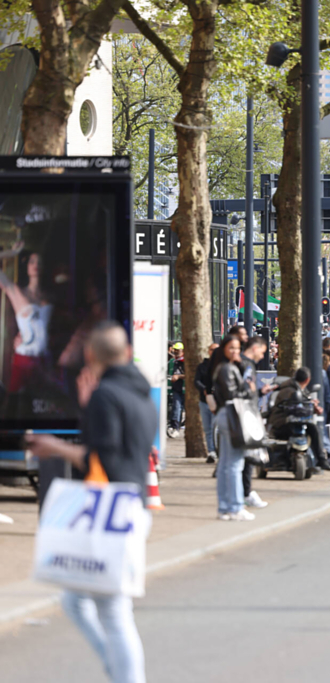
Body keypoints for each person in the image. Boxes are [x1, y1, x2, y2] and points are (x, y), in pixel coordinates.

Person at [26, 322, 157, 683]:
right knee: (84, 603)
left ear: (90, 355)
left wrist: (53, 446)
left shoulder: (106, 395)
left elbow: (102, 457)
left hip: (113, 508)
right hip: (133, 504)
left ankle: (122, 675)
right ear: (126, 353)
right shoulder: (140, 393)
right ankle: (116, 671)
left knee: (113, 613)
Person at [210, 334, 258, 521]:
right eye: (232, 348)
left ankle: (225, 507)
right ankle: (236, 506)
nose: (235, 352)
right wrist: (248, 388)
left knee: (225, 464)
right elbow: (234, 393)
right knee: (234, 464)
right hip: (233, 415)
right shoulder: (228, 369)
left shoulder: (222, 368)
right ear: (224, 349)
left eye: (237, 348)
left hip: (226, 414)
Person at [0, 244, 53, 393]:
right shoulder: (18, 293)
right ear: (27, 266)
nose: (36, 265)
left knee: (45, 405)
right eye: (32, 261)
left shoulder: (49, 297)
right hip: (24, 360)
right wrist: (13, 252)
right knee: (16, 406)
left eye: (39, 262)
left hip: (44, 361)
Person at [268, 366, 330, 471]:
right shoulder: (288, 390)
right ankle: (282, 460)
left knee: (313, 428)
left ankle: (321, 459)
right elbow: (294, 407)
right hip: (283, 422)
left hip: (298, 421)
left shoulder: (301, 390)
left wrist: (313, 407)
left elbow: (304, 406)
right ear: (308, 380)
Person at [238, 337, 273, 507]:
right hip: (245, 414)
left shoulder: (243, 364)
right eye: (262, 351)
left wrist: (258, 392)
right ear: (254, 347)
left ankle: (245, 492)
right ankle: (244, 493)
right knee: (247, 456)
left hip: (243, 412)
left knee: (244, 458)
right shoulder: (247, 365)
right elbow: (244, 390)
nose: (262, 356)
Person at [194, 342, 219, 463]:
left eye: (216, 350)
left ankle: (219, 450)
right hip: (204, 401)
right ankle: (212, 452)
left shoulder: (223, 366)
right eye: (211, 349)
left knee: (216, 428)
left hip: (218, 401)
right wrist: (204, 389)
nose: (213, 352)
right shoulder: (203, 366)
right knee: (208, 428)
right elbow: (196, 381)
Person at [166, 343, 185, 437]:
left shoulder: (187, 361)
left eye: (178, 350)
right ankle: (175, 427)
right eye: (175, 350)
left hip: (187, 390)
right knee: (176, 408)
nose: (176, 351)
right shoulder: (173, 362)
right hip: (177, 389)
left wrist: (179, 376)